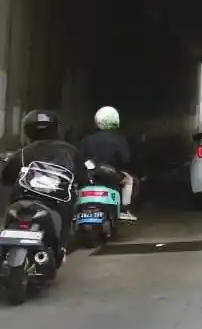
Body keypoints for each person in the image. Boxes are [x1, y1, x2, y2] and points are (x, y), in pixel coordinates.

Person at [0, 110, 88, 264]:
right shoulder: (70, 151)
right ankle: (60, 248)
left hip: (23, 201)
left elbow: (6, 178)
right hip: (56, 204)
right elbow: (83, 179)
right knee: (68, 212)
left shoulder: (21, 153)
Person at [78, 106, 138, 222]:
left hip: (91, 173)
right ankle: (123, 210)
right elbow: (125, 159)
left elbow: (80, 157)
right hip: (111, 174)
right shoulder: (119, 139)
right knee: (129, 180)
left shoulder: (87, 139)